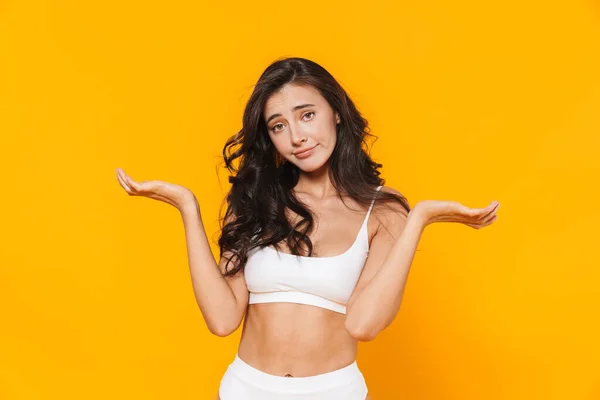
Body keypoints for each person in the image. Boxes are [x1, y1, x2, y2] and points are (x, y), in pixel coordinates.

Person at [115, 57, 500, 400]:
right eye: (278, 125)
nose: (296, 137)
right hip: (246, 389)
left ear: (335, 112)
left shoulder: (382, 212)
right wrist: (188, 208)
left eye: (307, 115)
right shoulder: (255, 201)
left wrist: (419, 219)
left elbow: (363, 325)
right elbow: (222, 319)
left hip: (333, 391)